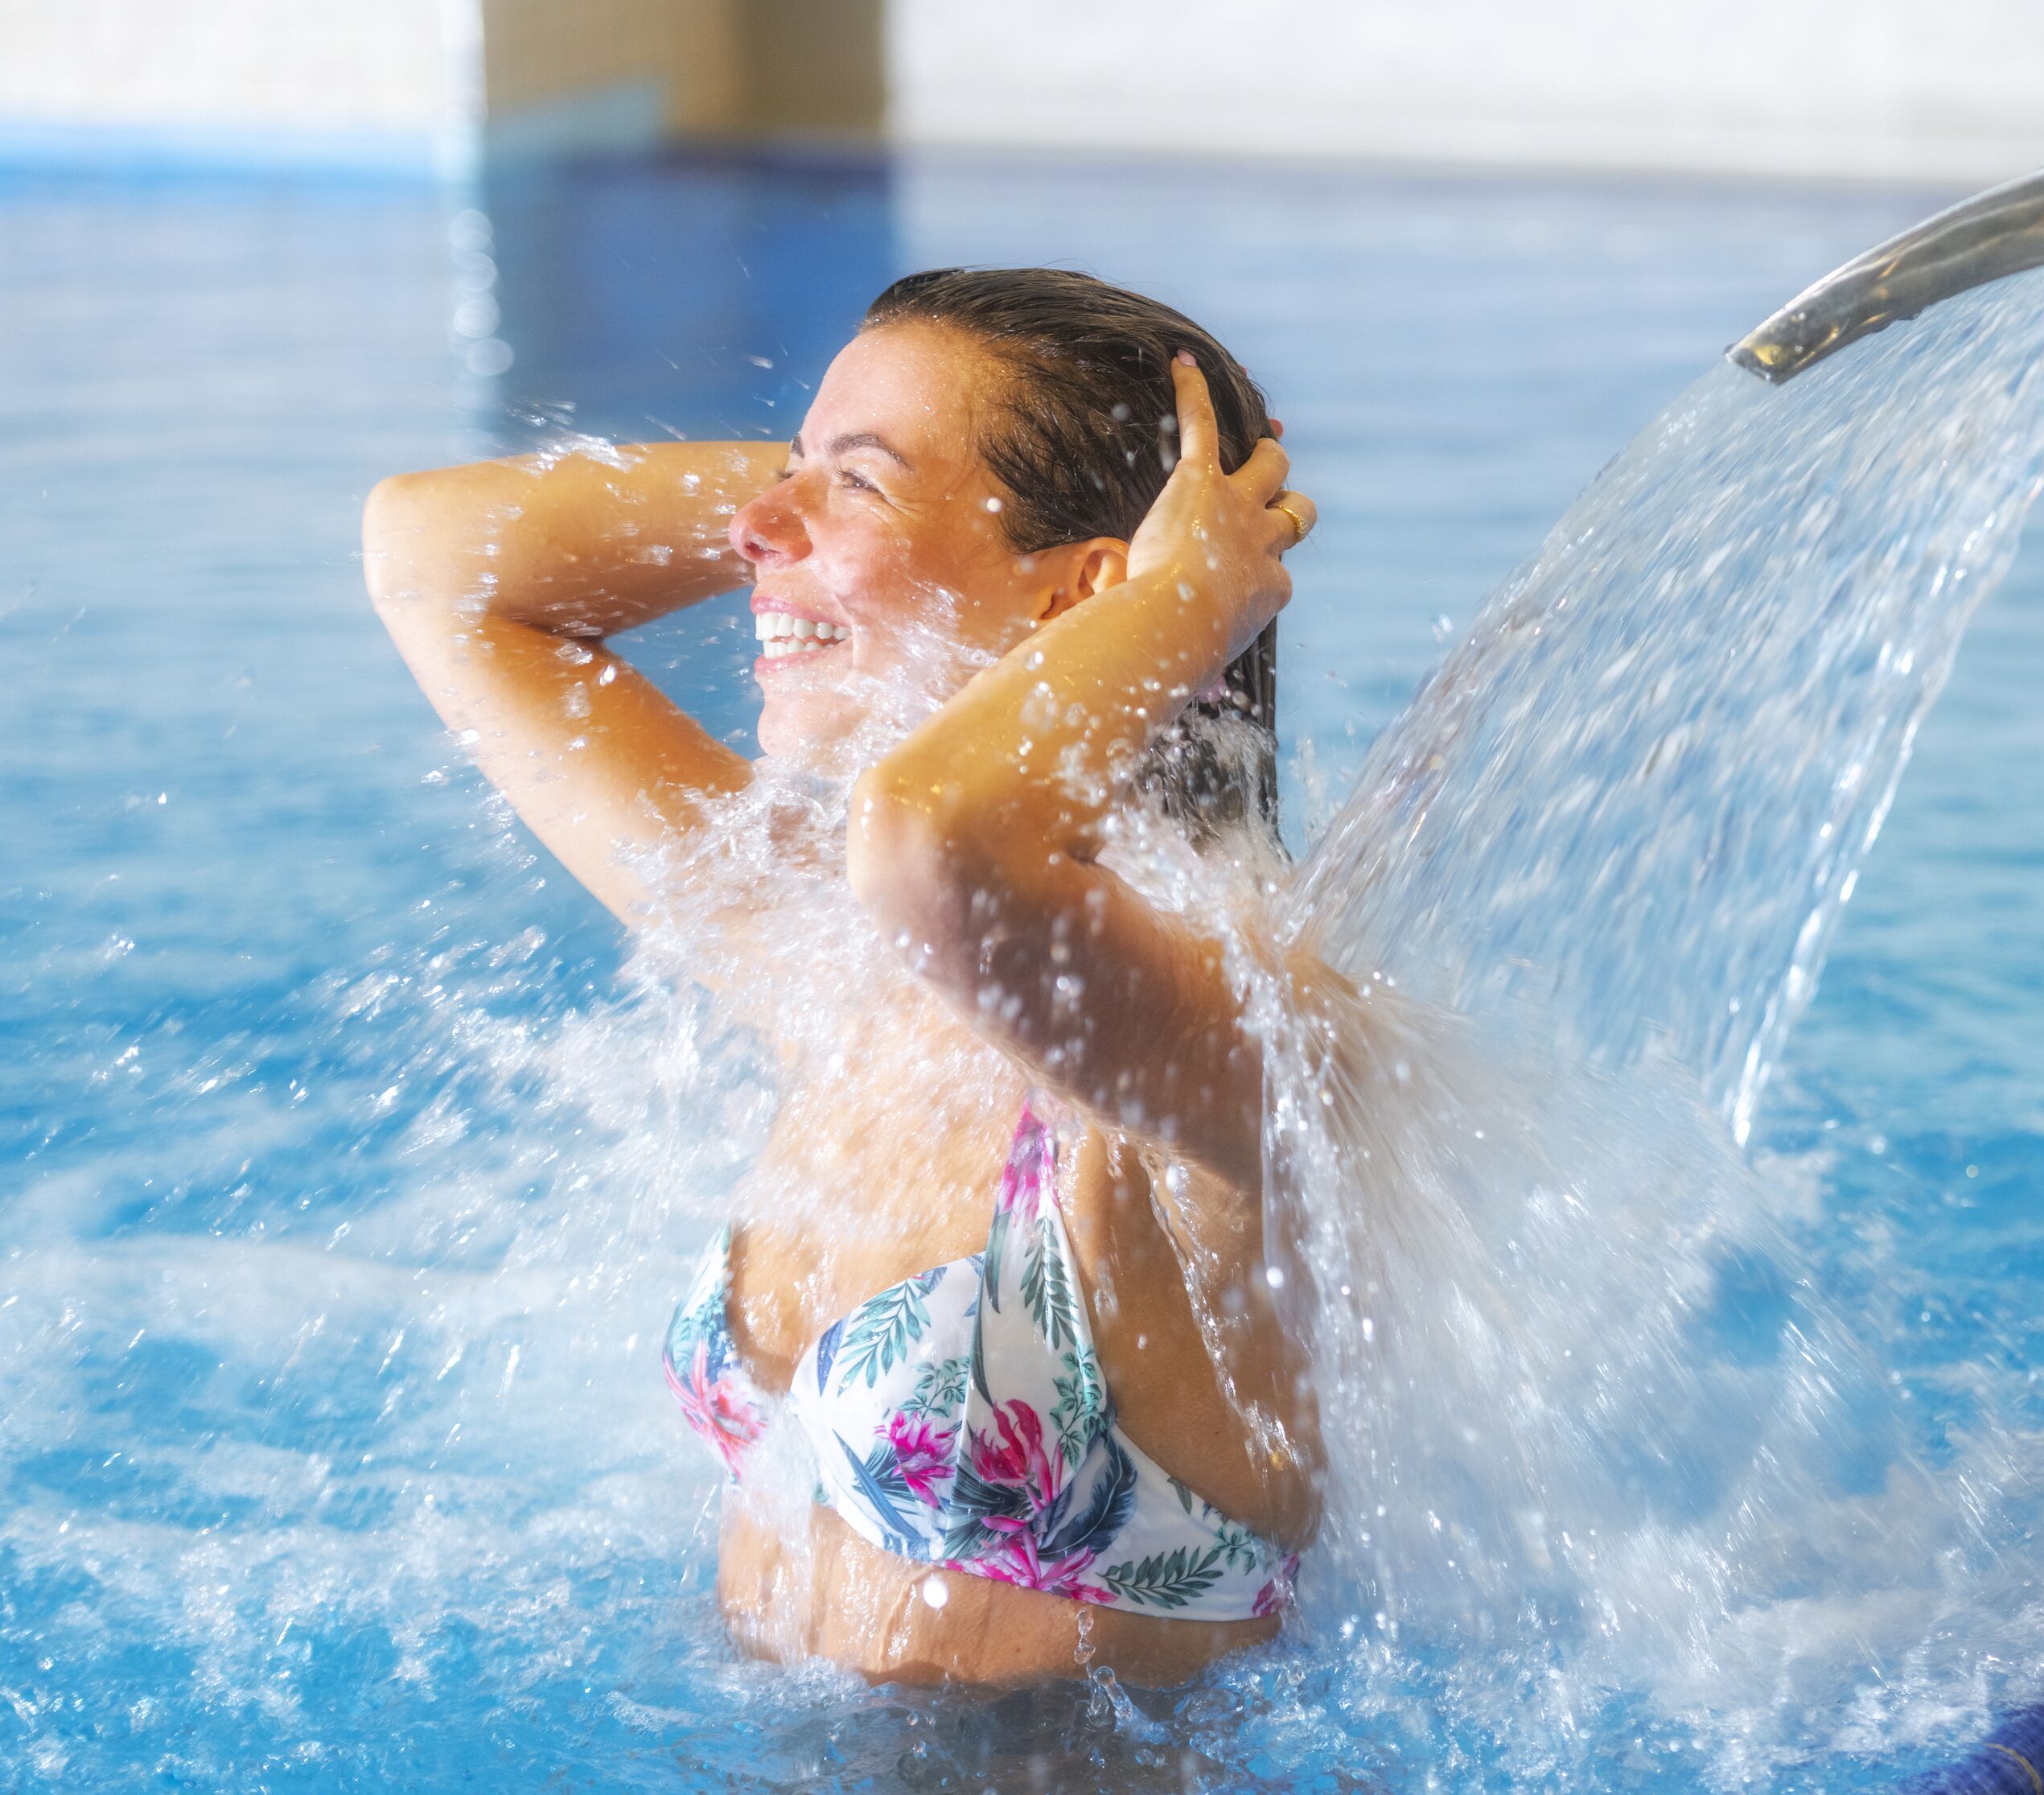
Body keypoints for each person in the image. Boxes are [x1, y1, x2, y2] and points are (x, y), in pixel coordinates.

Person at [361, 269, 1323, 1686]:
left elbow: (936, 842)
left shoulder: (1233, 1030)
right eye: (785, 469)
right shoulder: (840, 962)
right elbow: (436, 566)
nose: (756, 529)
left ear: (1094, 596)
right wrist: (822, 512)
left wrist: (1178, 593)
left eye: (853, 484)